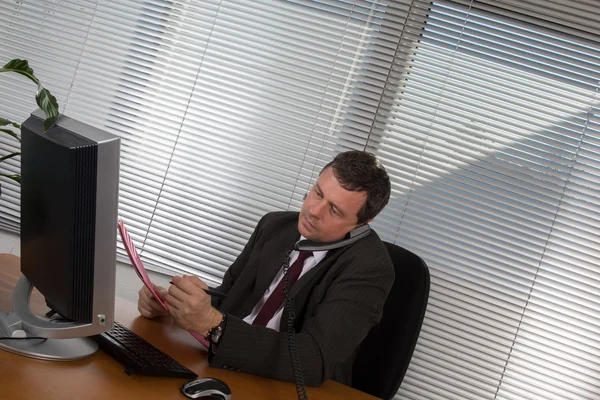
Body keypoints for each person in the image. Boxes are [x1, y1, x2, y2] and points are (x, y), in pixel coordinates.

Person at [137, 150, 394, 387]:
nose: (314, 211)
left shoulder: (370, 268)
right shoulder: (275, 226)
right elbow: (229, 299)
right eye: (318, 192)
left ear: (363, 222)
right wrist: (177, 306)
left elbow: (313, 360)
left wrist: (212, 324)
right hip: (222, 367)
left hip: (284, 386)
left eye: (334, 210)